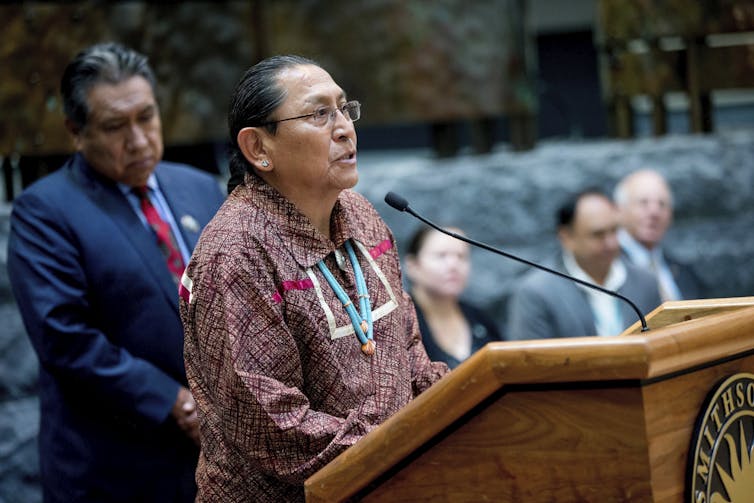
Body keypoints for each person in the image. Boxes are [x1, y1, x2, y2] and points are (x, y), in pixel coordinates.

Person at [179, 55, 449, 502]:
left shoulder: (362, 216)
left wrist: (456, 409)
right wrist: (402, 442)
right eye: (319, 113)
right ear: (258, 149)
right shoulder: (237, 252)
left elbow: (409, 351)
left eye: (344, 109)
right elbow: (274, 426)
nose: (344, 128)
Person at [6, 42, 225, 502]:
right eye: (115, 127)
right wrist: (175, 401)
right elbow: (64, 337)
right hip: (118, 466)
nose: (139, 140)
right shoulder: (45, 211)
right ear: (76, 132)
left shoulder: (200, 187)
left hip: (220, 458)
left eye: (146, 117)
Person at [506, 189, 661, 340]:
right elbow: (532, 362)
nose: (611, 243)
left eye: (614, 231)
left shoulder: (645, 282)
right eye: (598, 235)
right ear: (566, 237)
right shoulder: (536, 293)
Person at [404, 226, 502, 369]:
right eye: (441, 256)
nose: (453, 265)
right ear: (413, 266)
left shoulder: (481, 319)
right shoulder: (399, 322)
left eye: (461, 257)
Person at [614, 168, 705, 301]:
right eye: (643, 202)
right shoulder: (607, 266)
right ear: (619, 210)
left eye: (662, 204)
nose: (654, 212)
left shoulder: (684, 272)